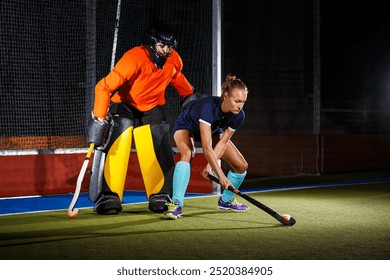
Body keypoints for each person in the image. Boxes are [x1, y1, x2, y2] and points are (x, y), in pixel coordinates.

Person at [87, 20, 195, 215]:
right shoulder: (134, 58)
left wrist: (191, 99)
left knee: (157, 137)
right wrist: (100, 119)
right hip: (125, 103)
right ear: (151, 44)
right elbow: (103, 87)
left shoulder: (174, 61)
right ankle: (108, 195)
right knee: (119, 132)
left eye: (169, 47)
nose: (165, 51)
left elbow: (178, 79)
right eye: (162, 46)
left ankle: (161, 194)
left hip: (153, 104)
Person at [163, 74, 249, 219]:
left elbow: (223, 142)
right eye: (237, 101)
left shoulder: (238, 116)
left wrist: (210, 167)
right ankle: (176, 205)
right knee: (187, 153)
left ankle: (226, 201)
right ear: (226, 96)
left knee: (241, 166)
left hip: (213, 130)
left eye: (243, 102)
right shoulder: (208, 108)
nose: (240, 106)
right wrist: (220, 176)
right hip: (186, 125)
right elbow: (206, 147)